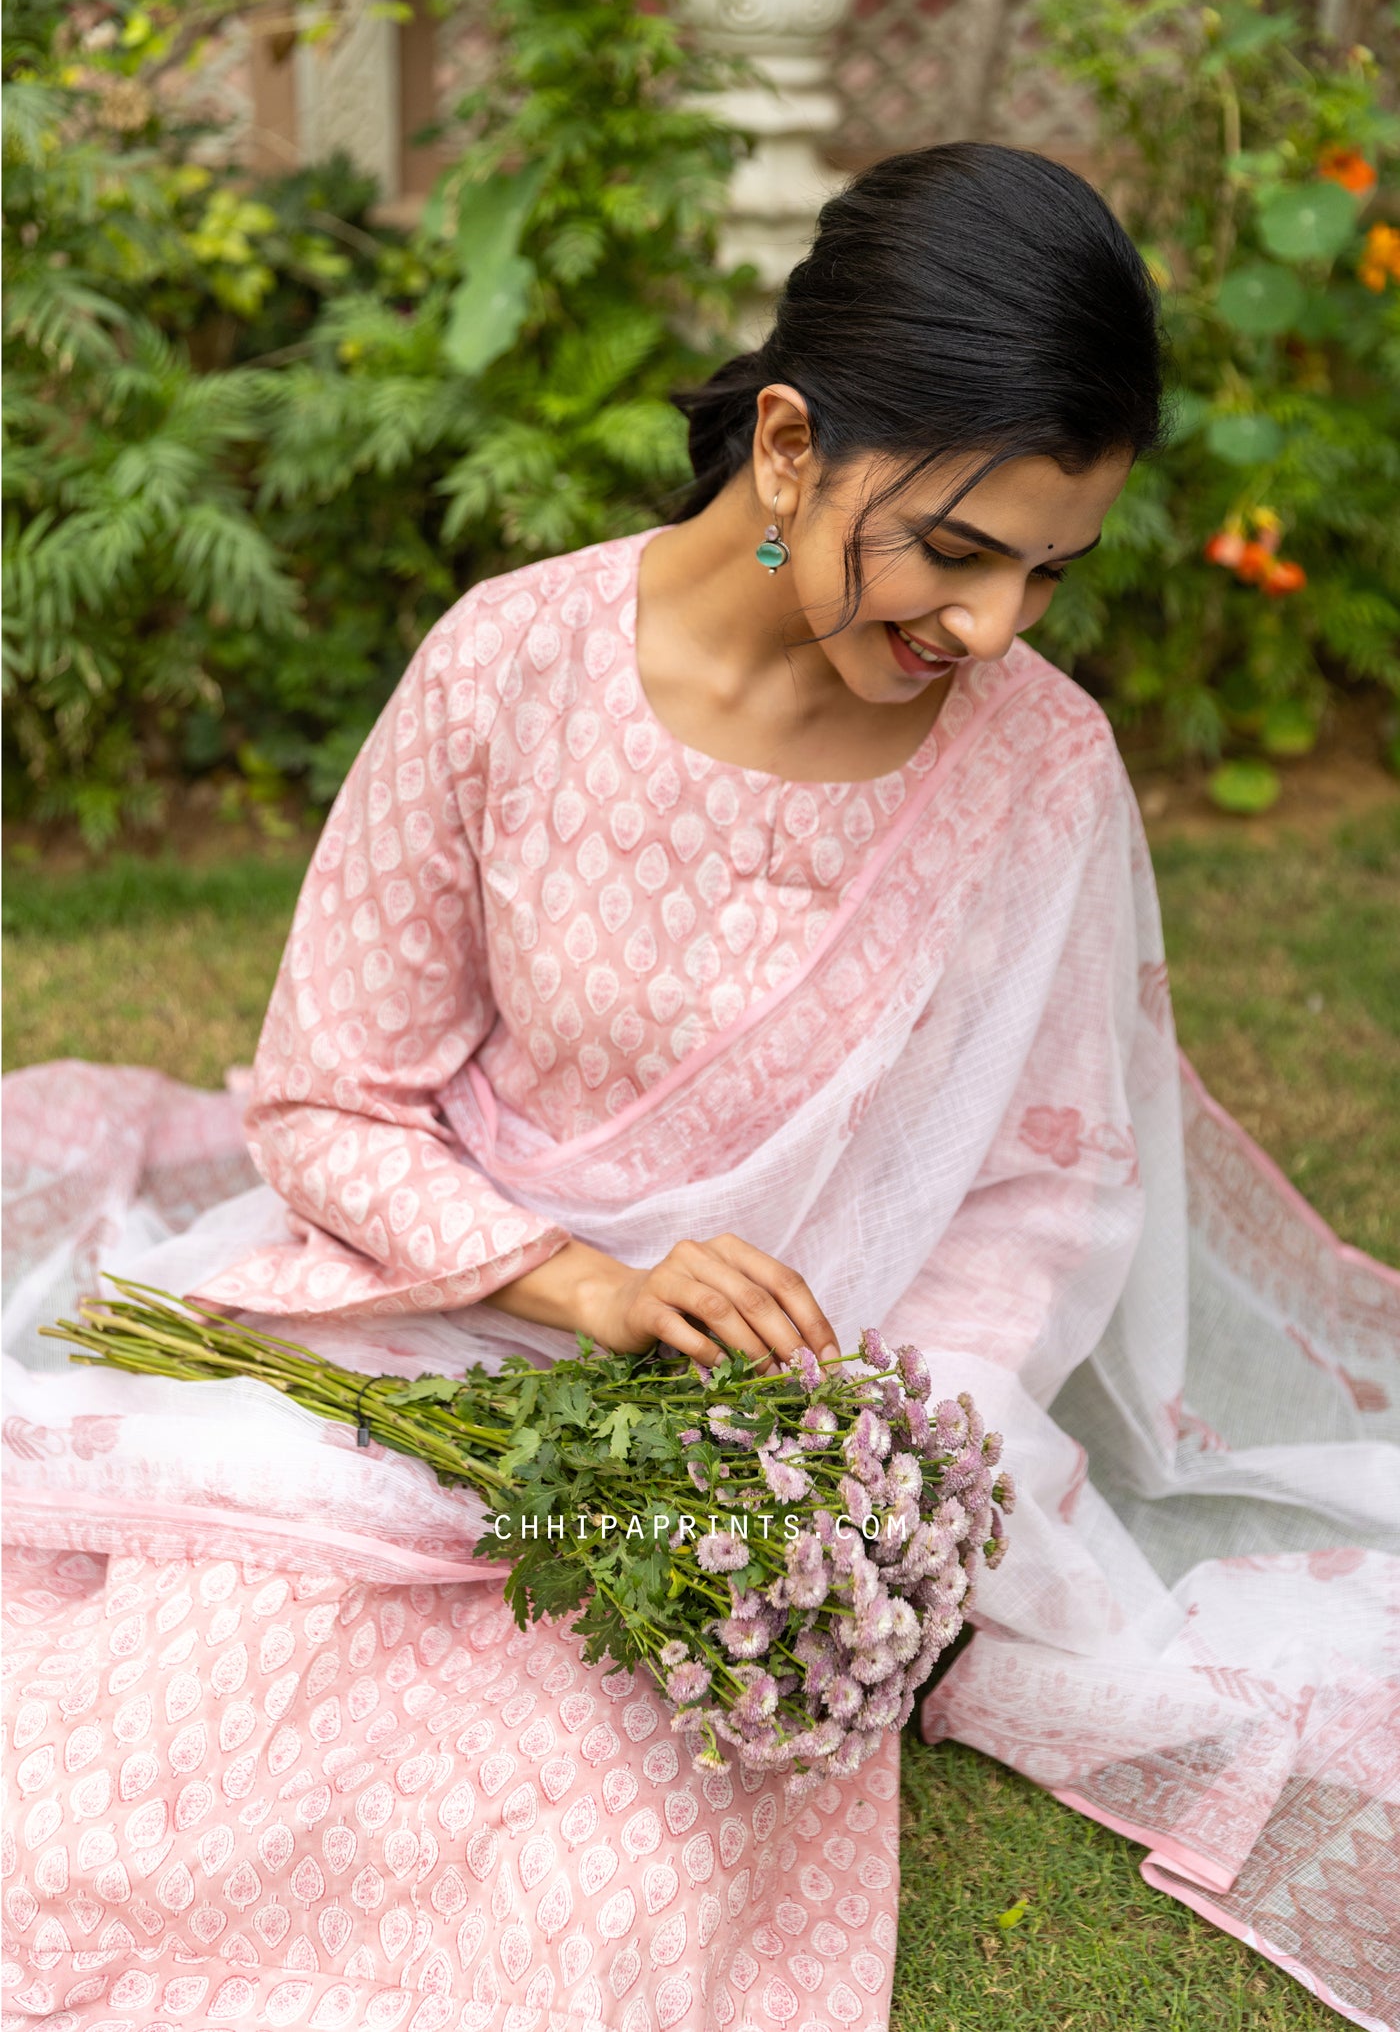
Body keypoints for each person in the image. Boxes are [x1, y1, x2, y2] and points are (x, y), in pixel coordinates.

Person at [4, 144, 1396, 2032]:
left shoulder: (1037, 771)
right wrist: (581, 1290)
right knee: (152, 1772)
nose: (995, 630)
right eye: (960, 553)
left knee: (579, 1868)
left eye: (1050, 573)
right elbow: (328, 1104)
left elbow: (1046, 1191)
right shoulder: (510, 666)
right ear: (792, 445)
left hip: (758, 1453)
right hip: (429, 1332)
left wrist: (850, 1450)